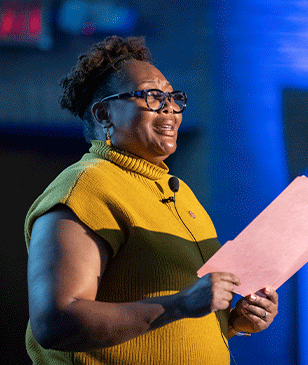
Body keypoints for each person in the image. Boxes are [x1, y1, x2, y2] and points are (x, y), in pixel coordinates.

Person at [25, 35, 278, 365]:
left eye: (173, 98)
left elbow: (168, 329)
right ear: (104, 114)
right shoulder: (85, 186)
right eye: (153, 97)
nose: (170, 109)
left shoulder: (179, 192)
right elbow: (55, 322)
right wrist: (181, 304)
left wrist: (233, 323)